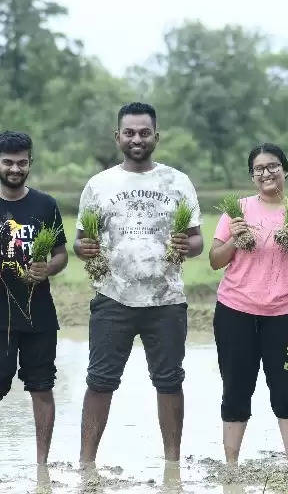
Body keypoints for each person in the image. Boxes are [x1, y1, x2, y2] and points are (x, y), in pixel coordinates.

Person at [74, 102, 203, 465]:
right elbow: (82, 241)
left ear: (156, 137)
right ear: (117, 137)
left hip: (166, 299)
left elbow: (196, 242)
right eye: (129, 132)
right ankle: (86, 462)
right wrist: (82, 248)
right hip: (112, 296)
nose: (137, 139)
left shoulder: (177, 182)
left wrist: (184, 246)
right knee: (99, 380)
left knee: (169, 380)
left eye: (144, 132)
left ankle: (173, 462)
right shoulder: (99, 185)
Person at [209, 143, 288, 464]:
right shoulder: (237, 211)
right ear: (252, 176)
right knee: (235, 388)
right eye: (259, 169)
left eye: (273, 166)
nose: (266, 173)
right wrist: (235, 237)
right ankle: (231, 465)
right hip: (235, 314)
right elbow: (215, 261)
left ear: (285, 170)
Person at [0, 131, 68, 479]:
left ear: (29, 164)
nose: (15, 168)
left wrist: (47, 268)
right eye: (8, 162)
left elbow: (61, 254)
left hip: (39, 315)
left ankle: (41, 465)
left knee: (42, 387)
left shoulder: (45, 205)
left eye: (22, 162)